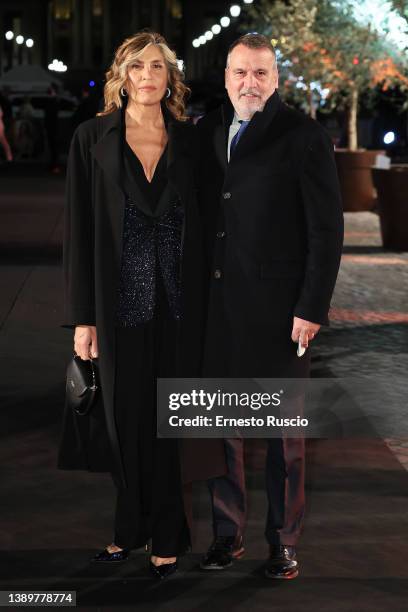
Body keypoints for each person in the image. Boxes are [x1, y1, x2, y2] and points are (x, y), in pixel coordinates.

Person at [58, 31, 225, 580]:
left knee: (171, 423)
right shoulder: (91, 138)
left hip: (182, 308)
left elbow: (212, 227)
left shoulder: (193, 142)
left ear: (171, 77)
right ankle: (127, 529)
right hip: (117, 305)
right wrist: (83, 317)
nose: (148, 76)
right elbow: (78, 232)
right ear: (122, 76)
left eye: (158, 66)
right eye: (137, 67)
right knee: (124, 422)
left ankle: (169, 536)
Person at [196, 33, 343, 579]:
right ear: (227, 76)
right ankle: (226, 533)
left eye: (260, 73)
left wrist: (312, 307)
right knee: (220, 428)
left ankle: (283, 542)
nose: (249, 84)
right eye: (240, 73)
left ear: (276, 79)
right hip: (217, 308)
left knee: (284, 437)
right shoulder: (207, 131)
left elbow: (326, 232)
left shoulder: (304, 136)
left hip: (283, 313)